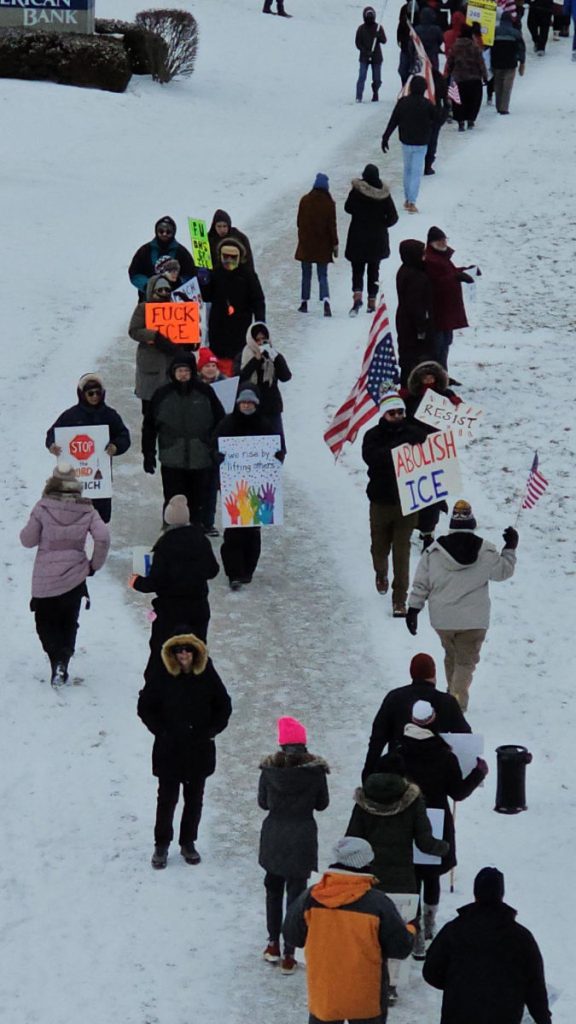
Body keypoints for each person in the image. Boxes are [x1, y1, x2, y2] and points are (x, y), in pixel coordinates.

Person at [347, 761, 449, 1005]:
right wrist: (442, 848)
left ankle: (369, 978)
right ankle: (390, 985)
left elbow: (352, 839)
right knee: (398, 930)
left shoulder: (363, 802)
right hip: (403, 879)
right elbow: (425, 842)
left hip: (370, 880)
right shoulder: (412, 801)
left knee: (370, 929)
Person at [283, 835, 416, 1022]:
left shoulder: (311, 898)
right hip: (366, 999)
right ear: (365, 864)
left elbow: (292, 936)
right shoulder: (378, 903)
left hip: (324, 997)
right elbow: (400, 948)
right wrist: (411, 928)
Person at [406, 500, 518, 710]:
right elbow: (503, 571)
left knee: (452, 655)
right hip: (473, 621)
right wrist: (510, 547)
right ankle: (456, 705)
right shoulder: (485, 551)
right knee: (465, 663)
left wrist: (413, 609)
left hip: (443, 620)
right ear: (472, 523)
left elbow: (422, 583)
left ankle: (451, 694)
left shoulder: (434, 552)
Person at [397, 700, 488, 956]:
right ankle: (429, 925)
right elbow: (458, 791)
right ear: (432, 720)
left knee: (412, 878)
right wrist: (478, 773)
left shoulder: (399, 752)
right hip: (437, 818)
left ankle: (413, 934)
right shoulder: (444, 755)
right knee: (432, 874)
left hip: (406, 819)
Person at [137, 629, 232, 869]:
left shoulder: (207, 674)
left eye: (188, 649)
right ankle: (161, 845)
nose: (184, 654)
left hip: (198, 750)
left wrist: (210, 731)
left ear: (196, 652)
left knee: (194, 799)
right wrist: (162, 731)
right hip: (169, 750)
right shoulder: (162, 675)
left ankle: (188, 842)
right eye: (178, 650)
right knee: (166, 800)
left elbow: (224, 706)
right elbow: (145, 707)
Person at [423, 867, 553, 1024]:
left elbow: (430, 971)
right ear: (501, 894)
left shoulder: (454, 930)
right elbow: (535, 987)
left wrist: (456, 985)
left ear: (475, 893)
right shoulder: (521, 937)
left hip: (457, 1015)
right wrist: (544, 1019)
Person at [20, 462, 110, 686]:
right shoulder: (88, 509)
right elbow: (103, 537)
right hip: (75, 577)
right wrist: (93, 565)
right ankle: (63, 659)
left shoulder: (43, 507)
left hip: (45, 579)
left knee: (45, 623)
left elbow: (27, 540)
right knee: (69, 622)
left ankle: (55, 659)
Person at [259, 716, 330, 975]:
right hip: (302, 836)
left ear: (282, 744)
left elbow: (263, 803)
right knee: (297, 895)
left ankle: (272, 944)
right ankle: (290, 952)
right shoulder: (315, 771)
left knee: (273, 889)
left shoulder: (269, 771)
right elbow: (322, 804)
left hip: (274, 835)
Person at [362, 391, 427, 616]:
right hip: (380, 502)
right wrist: (400, 445)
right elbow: (374, 459)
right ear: (384, 414)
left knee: (402, 552)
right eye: (392, 413)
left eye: (400, 412)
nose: (397, 416)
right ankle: (380, 573)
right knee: (379, 549)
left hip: (407, 503)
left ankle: (400, 599)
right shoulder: (372, 436)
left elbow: (430, 445)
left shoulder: (413, 432)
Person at [130, 494, 219, 658]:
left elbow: (157, 581)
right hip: (198, 608)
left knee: (163, 652)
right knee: (196, 653)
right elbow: (213, 570)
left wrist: (137, 582)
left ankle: (159, 683)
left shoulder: (164, 544)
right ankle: (196, 682)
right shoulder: (201, 540)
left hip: (170, 612)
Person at [212, 385, 283, 590]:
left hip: (258, 485)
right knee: (234, 530)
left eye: (250, 403)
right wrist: (218, 457)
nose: (246, 406)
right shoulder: (227, 423)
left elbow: (279, 449)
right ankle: (234, 572)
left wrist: (275, 459)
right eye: (243, 403)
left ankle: (247, 570)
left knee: (252, 531)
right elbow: (213, 445)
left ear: (256, 405)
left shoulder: (266, 424)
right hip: (234, 485)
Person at [142, 354, 225, 525]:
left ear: (192, 371)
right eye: (179, 370)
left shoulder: (205, 392)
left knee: (198, 500)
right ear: (173, 372)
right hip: (172, 458)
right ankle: (170, 529)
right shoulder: (162, 394)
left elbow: (221, 422)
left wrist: (217, 449)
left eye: (186, 370)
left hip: (201, 458)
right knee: (174, 499)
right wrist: (148, 453)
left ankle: (198, 531)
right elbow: (149, 426)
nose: (183, 374)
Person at [362, 652, 471, 779]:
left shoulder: (395, 698)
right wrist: (462, 775)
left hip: (399, 775)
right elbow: (465, 738)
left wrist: (368, 771)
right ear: (433, 674)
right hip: (436, 776)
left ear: (411, 673)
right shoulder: (447, 702)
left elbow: (378, 737)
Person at [45, 373, 131, 524]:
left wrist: (116, 446)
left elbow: (124, 435)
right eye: (90, 393)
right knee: (74, 518)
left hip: (99, 479)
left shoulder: (110, 415)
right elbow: (52, 433)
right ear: (82, 394)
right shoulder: (70, 416)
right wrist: (52, 445)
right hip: (74, 480)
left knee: (100, 519)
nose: (94, 397)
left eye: (98, 393)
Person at [400, 360, 461, 544]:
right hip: (415, 448)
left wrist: (456, 402)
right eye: (425, 377)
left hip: (436, 449)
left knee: (434, 492)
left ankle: (428, 531)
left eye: (431, 376)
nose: (428, 379)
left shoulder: (444, 394)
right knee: (416, 489)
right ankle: (413, 525)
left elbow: (456, 410)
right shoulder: (410, 396)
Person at [128, 274, 199, 417]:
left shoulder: (176, 309)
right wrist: (154, 336)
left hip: (172, 364)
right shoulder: (143, 308)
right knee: (150, 411)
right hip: (151, 365)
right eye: (160, 290)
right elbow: (134, 330)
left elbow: (186, 330)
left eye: (167, 290)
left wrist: (190, 339)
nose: (164, 294)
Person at [203, 238, 266, 377]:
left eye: (233, 257)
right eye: (226, 257)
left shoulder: (248, 275)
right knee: (219, 359)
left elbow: (258, 300)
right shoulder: (215, 274)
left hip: (240, 326)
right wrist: (204, 283)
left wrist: (260, 323)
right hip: (218, 326)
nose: (229, 260)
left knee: (238, 360)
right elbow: (206, 297)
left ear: (240, 257)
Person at [344, 163, 399, 315]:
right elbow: (394, 217)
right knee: (374, 270)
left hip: (357, 236)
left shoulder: (357, 191)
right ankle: (371, 301)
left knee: (357, 269)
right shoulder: (384, 194)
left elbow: (347, 208)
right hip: (377, 239)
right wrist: (382, 224)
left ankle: (357, 296)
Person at [381, 76, 436, 214]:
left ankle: (407, 199)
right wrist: (446, 107)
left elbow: (393, 120)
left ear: (410, 87)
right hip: (421, 143)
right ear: (424, 89)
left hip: (406, 141)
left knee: (408, 170)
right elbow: (438, 120)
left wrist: (385, 137)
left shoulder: (403, 102)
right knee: (416, 172)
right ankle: (412, 201)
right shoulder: (427, 104)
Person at [424, 226, 474, 371]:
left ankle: (442, 374)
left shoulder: (440, 257)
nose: (444, 243)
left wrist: (465, 271)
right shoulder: (431, 259)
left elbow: (449, 273)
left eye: (444, 239)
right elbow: (436, 281)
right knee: (438, 346)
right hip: (438, 310)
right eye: (440, 240)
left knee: (445, 343)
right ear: (432, 242)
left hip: (446, 310)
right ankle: (437, 375)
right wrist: (456, 277)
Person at [294, 173, 339, 316]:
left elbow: (298, 223)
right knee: (322, 275)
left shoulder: (305, 200)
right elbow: (332, 226)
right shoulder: (329, 203)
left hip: (306, 245)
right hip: (323, 246)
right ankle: (326, 301)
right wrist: (335, 244)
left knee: (306, 275)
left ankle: (304, 302)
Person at [239, 322, 292, 444]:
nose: (261, 343)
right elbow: (241, 378)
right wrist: (256, 360)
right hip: (251, 407)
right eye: (257, 340)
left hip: (271, 406)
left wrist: (275, 357)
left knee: (276, 443)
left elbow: (286, 376)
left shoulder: (274, 355)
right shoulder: (245, 355)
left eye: (264, 339)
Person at [395, 240, 435, 386]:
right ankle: (411, 388)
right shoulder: (416, 276)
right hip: (412, 325)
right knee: (414, 358)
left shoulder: (405, 269)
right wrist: (422, 327)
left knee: (407, 356)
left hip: (404, 320)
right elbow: (416, 304)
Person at [128, 216, 197, 300]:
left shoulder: (181, 252)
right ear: (156, 231)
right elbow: (134, 273)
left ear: (173, 232)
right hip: (148, 300)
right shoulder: (145, 250)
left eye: (168, 232)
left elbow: (190, 274)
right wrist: (148, 285)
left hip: (175, 302)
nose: (164, 234)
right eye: (161, 231)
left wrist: (178, 282)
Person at [445, 25, 488, 131]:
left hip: (459, 78)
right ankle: (470, 120)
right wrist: (485, 76)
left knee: (458, 101)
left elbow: (450, 62)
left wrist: (448, 74)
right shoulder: (475, 47)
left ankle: (460, 122)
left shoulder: (455, 46)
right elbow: (481, 63)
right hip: (474, 78)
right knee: (473, 101)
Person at [491, 12, 527, 114]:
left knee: (498, 84)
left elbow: (487, 47)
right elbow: (521, 49)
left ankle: (498, 105)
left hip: (496, 62)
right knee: (507, 85)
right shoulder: (516, 33)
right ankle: (504, 108)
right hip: (511, 62)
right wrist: (522, 62)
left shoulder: (494, 31)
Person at [355, 6, 387, 103]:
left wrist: (379, 36)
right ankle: (358, 96)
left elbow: (384, 40)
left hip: (376, 57)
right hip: (364, 57)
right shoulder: (361, 29)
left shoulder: (378, 27)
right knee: (362, 77)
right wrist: (365, 51)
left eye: (371, 15)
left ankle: (375, 92)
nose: (369, 17)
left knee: (377, 78)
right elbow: (358, 43)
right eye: (368, 15)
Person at [397, 1, 420, 85]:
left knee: (414, 70)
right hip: (405, 45)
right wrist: (399, 39)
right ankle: (405, 86)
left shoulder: (420, 7)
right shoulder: (404, 8)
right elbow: (400, 25)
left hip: (417, 48)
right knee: (403, 70)